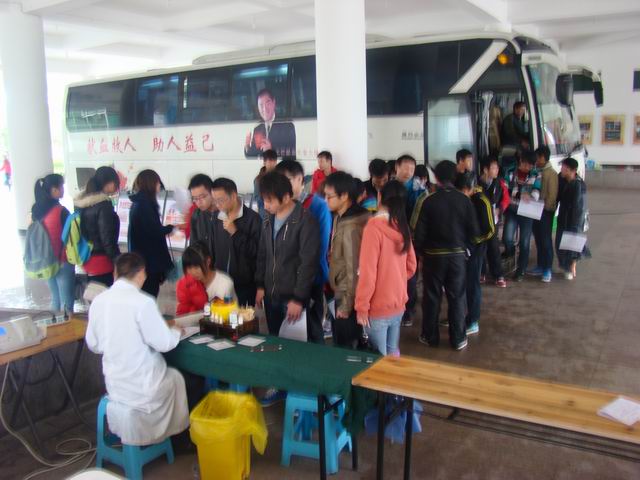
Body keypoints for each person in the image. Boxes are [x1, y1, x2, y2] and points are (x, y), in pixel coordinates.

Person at [86, 253, 189, 446]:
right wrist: (176, 332)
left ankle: (153, 436)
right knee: (176, 378)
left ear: (115, 273)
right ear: (142, 274)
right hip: (142, 388)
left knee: (169, 378)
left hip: (115, 385)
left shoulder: (99, 301)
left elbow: (93, 344)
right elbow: (163, 343)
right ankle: (176, 438)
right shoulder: (143, 302)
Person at [414, 160, 479, 351]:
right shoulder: (464, 200)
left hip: (433, 258)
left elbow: (419, 235)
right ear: (454, 176)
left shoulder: (429, 201)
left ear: (436, 177)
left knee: (431, 297)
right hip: (458, 257)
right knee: (457, 297)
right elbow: (474, 232)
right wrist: (466, 250)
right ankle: (458, 339)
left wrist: (421, 254)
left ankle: (430, 336)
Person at [255, 171, 320, 336]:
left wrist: (298, 299)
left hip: (292, 299)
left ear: (285, 197)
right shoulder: (268, 219)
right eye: (264, 200)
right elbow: (262, 254)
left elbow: (308, 264)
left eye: (269, 200)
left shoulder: (305, 221)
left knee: (295, 346)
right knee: (275, 341)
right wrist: (260, 285)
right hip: (271, 295)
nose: (265, 205)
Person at [355, 181, 417, 356]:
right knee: (392, 352)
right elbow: (412, 266)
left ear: (379, 197)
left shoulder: (373, 228)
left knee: (378, 360)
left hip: (377, 307)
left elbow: (368, 273)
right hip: (398, 304)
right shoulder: (402, 226)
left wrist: (361, 307)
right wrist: (395, 280)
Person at [275, 160, 330, 343]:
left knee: (312, 330)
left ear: (300, 179)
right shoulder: (280, 206)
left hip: (310, 279)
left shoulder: (317, 206)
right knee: (289, 333)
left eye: (288, 180)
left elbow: (318, 249)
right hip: (286, 280)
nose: (283, 186)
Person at [324, 172, 370, 348]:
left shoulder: (352, 225)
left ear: (344, 196)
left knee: (345, 345)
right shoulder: (340, 216)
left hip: (347, 293)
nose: (326, 200)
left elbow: (354, 269)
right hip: (341, 288)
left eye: (330, 196)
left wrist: (346, 305)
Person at [454, 172, 495, 336]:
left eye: (463, 191)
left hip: (476, 249)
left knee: (472, 284)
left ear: (469, 188)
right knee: (459, 283)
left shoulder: (482, 200)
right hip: (461, 247)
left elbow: (490, 230)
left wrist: (473, 243)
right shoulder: (462, 199)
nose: (461, 195)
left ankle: (473, 320)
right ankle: (458, 315)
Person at [210, 177, 262, 306]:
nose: (217, 205)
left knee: (242, 318)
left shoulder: (253, 219)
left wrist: (235, 233)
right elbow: (213, 249)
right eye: (215, 200)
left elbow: (257, 252)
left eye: (220, 200)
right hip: (221, 283)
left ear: (233, 196)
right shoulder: (216, 218)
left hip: (245, 286)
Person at [31, 174, 75, 313]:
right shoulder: (61, 211)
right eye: (62, 186)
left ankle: (55, 324)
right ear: (54, 190)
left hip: (46, 261)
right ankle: (67, 326)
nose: (63, 189)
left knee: (56, 299)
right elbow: (72, 236)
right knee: (66, 303)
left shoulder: (36, 210)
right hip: (62, 260)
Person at [128, 170, 174, 298]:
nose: (159, 185)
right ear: (151, 183)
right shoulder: (144, 205)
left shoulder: (139, 203)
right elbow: (154, 231)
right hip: (148, 263)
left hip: (142, 260)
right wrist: (171, 228)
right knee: (149, 295)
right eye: (158, 182)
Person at [74, 166, 121, 287]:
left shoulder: (83, 203)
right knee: (103, 294)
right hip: (102, 261)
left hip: (87, 257)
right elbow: (107, 238)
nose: (117, 187)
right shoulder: (103, 206)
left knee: (93, 294)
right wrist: (119, 260)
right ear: (109, 183)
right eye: (116, 183)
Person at [392, 154, 424, 327]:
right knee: (393, 275)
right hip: (391, 237)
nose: (409, 172)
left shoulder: (418, 189)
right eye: (405, 167)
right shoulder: (390, 186)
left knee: (410, 275)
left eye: (412, 168)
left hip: (411, 238)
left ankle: (408, 310)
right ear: (397, 167)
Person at [503, 151, 541, 281]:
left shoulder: (536, 174)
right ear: (521, 161)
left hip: (527, 212)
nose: (529, 167)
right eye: (527, 164)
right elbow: (505, 189)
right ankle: (510, 253)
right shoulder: (510, 171)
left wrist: (531, 196)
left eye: (531, 165)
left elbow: (536, 192)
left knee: (525, 242)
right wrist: (520, 195)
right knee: (507, 238)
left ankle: (521, 270)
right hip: (512, 209)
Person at [478, 155, 509, 287]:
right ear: (485, 170)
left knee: (494, 247)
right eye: (494, 168)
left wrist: (499, 209)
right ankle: (481, 272)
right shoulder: (476, 183)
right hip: (479, 221)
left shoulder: (499, 183)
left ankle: (498, 275)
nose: (497, 170)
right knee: (480, 248)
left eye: (497, 168)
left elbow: (506, 199)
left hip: (493, 221)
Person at [530, 145, 559, 283]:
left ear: (542, 157)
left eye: (537, 157)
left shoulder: (551, 173)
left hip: (545, 211)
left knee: (546, 240)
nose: (536, 160)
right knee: (539, 239)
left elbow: (552, 195)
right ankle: (541, 265)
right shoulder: (537, 171)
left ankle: (547, 268)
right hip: (536, 210)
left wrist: (544, 208)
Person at [556, 157, 587, 280]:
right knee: (560, 244)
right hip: (563, 217)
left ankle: (570, 267)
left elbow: (579, 207)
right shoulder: (562, 179)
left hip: (573, 220)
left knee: (571, 245)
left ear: (570, 170)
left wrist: (575, 225)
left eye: (563, 167)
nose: (561, 169)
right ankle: (567, 266)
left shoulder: (578, 185)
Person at [244, 89, 296, 159]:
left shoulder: (287, 126)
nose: (264, 109)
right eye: (261, 105)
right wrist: (247, 146)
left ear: (274, 103)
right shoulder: (257, 128)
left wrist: (270, 151)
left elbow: (291, 155)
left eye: (267, 103)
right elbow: (252, 155)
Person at [188, 174, 217, 257]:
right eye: (195, 198)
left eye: (202, 197)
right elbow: (194, 244)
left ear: (212, 192)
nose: (199, 202)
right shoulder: (196, 215)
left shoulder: (226, 214)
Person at [253, 149, 278, 220]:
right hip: (265, 213)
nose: (272, 163)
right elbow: (258, 199)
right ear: (264, 162)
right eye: (270, 160)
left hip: (278, 211)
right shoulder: (258, 179)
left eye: (274, 160)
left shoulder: (279, 176)